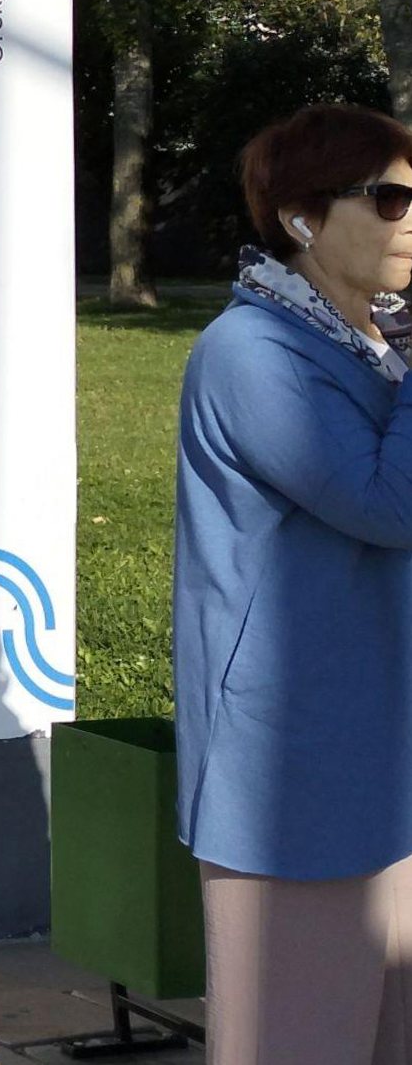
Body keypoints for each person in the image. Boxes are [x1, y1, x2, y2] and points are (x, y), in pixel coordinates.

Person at [177, 103, 412, 1061]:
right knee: (297, 1039)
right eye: (390, 198)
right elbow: (387, 504)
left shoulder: (376, 348)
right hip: (294, 772)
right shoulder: (251, 354)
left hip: (382, 752)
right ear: (302, 216)